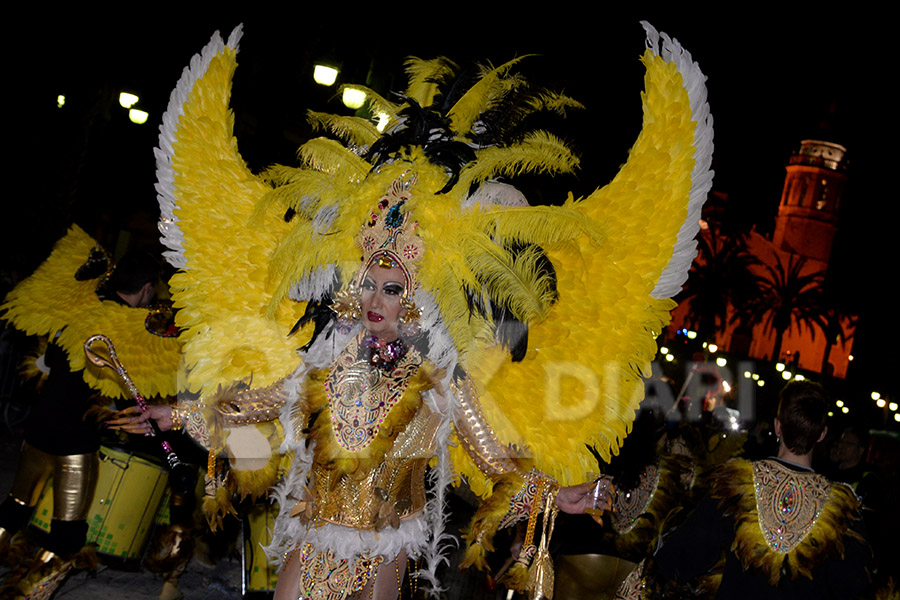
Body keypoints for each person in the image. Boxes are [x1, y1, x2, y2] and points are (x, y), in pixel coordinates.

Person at [112, 20, 713, 600]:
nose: (376, 300)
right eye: (370, 285)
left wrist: (562, 494)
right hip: (311, 535)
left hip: (387, 546)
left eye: (393, 289)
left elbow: (495, 459)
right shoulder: (326, 359)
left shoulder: (441, 377)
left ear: (417, 295)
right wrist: (179, 414)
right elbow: (262, 403)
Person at [0, 227, 180, 599]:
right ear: (146, 288)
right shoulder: (131, 332)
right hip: (74, 445)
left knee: (16, 506)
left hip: (36, 433)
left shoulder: (78, 311)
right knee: (68, 534)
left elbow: (48, 362)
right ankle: (25, 594)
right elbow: (131, 395)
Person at [635, 381, 871, 599]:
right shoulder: (842, 509)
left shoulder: (735, 484)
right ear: (821, 434)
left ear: (778, 426)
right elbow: (854, 587)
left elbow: (680, 558)